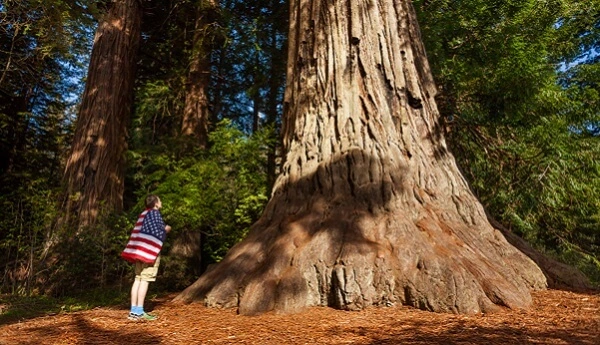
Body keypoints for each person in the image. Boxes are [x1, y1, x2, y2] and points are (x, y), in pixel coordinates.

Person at [121, 195, 171, 320]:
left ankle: (133, 311)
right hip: (149, 253)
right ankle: (139, 311)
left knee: (137, 279)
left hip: (139, 251)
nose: (161, 202)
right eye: (160, 200)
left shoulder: (143, 214)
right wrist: (166, 230)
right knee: (145, 279)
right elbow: (157, 232)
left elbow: (140, 232)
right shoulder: (155, 214)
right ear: (156, 203)